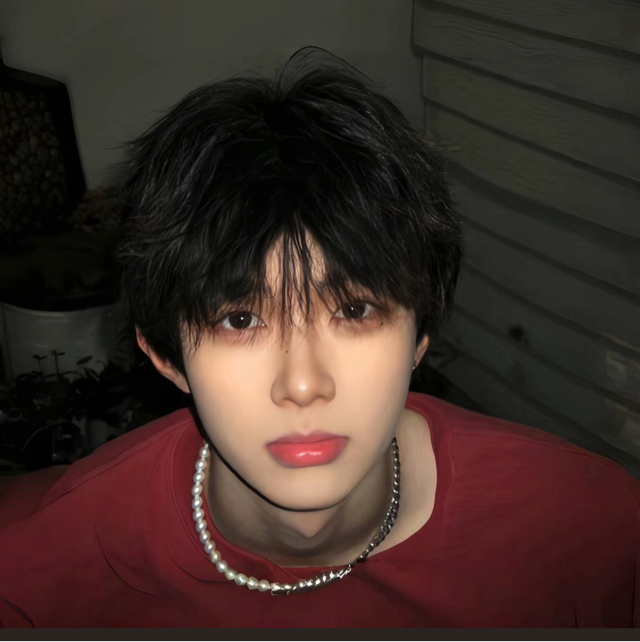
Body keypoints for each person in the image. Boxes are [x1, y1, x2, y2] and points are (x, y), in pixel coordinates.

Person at [0, 51, 638, 629]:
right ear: (165, 355)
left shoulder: (591, 530)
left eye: (355, 310)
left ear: (421, 334)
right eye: (240, 320)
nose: (304, 384)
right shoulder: (39, 567)